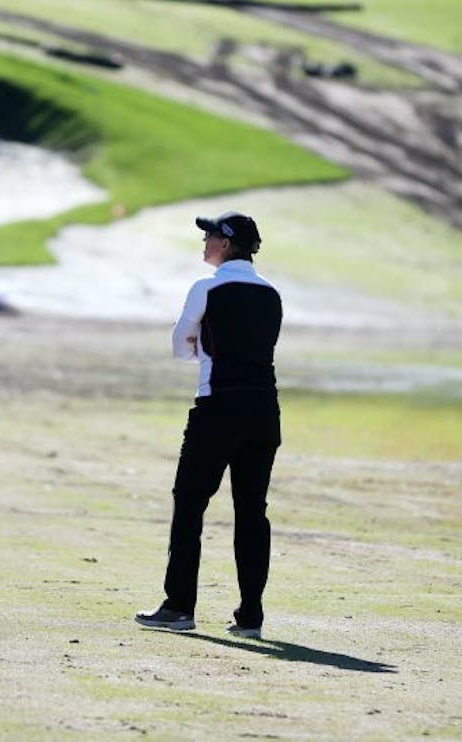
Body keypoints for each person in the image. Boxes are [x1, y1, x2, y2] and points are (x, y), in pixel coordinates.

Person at [136, 212, 282, 639]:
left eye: (210, 235)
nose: (204, 242)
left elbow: (180, 349)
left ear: (226, 243)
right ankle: (250, 616)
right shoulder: (272, 293)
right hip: (264, 412)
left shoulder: (207, 288)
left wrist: (203, 348)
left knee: (189, 503)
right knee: (252, 513)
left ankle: (179, 606)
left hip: (217, 408)